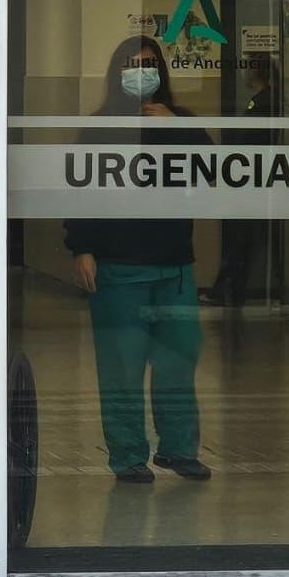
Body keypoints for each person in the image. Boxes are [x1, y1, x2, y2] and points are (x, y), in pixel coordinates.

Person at [65, 36, 213, 484]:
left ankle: (179, 450)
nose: (141, 72)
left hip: (174, 265)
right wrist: (81, 247)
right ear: (117, 72)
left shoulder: (181, 120)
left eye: (149, 65)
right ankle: (128, 455)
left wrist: (176, 128)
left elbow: (214, 170)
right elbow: (79, 187)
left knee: (179, 362)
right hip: (117, 265)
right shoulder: (99, 125)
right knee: (122, 368)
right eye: (132, 65)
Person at [205, 52, 281, 307]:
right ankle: (229, 287)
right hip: (249, 177)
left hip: (252, 178)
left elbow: (250, 138)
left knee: (242, 237)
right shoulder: (260, 101)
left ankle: (229, 288)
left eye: (246, 68)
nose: (243, 73)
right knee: (242, 237)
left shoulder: (264, 102)